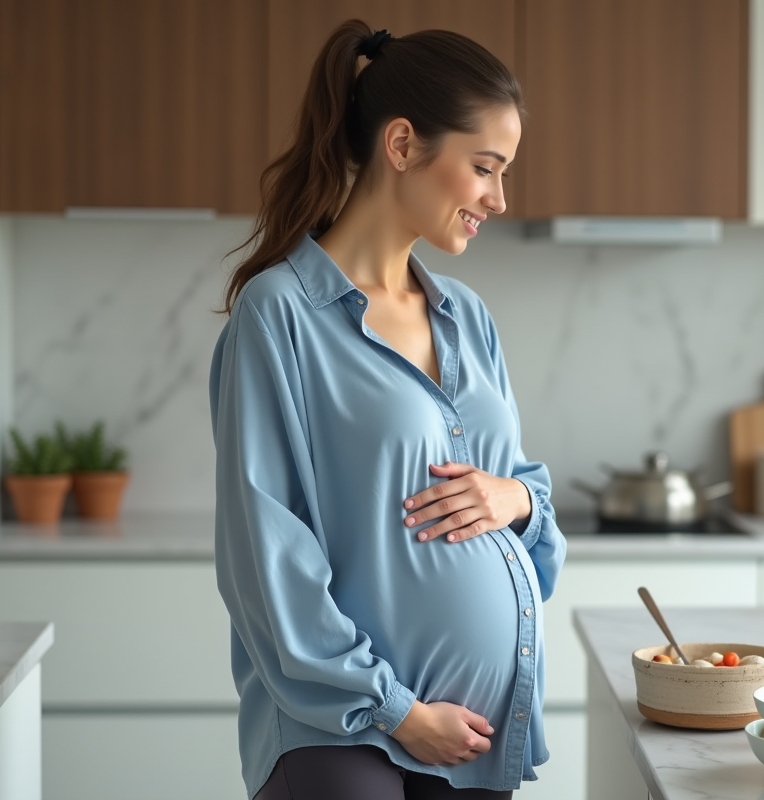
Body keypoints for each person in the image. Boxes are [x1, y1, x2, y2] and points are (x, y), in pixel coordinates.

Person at [208, 19, 567, 800]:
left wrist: (518, 501)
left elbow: (525, 503)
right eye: (484, 167)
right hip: (342, 733)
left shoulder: (466, 317)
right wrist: (398, 711)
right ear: (402, 145)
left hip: (472, 734)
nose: (498, 199)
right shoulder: (281, 317)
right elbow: (265, 558)